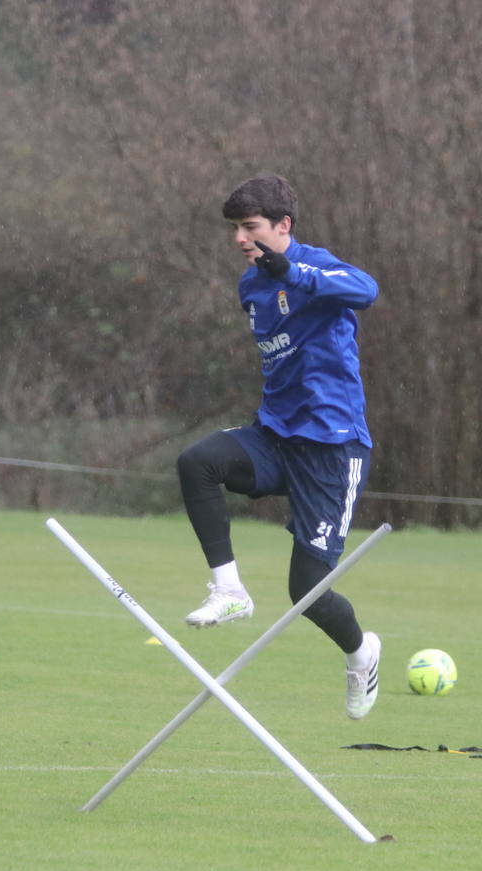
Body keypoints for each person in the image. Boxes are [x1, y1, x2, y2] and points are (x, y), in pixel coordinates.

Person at [175, 174, 383, 719]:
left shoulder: (315, 264)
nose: (241, 239)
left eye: (251, 227)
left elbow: (366, 290)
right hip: (276, 435)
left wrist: (294, 272)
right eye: (235, 229)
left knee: (307, 591)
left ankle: (362, 653)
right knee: (197, 463)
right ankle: (229, 591)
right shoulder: (250, 286)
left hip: (333, 448)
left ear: (283, 226)